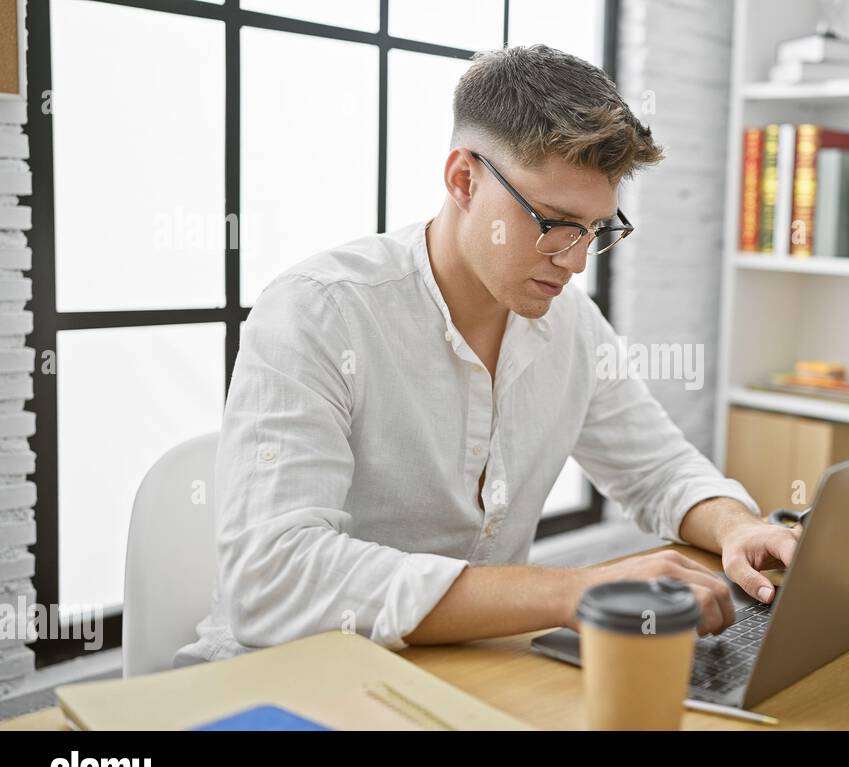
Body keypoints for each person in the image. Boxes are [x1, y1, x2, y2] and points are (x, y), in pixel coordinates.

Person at [175, 45, 796, 666]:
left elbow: (658, 470)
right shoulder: (318, 312)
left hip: (465, 669)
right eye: (553, 220)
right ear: (463, 180)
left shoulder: (567, 321)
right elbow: (273, 580)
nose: (576, 262)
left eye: (594, 229)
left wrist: (736, 526)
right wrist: (573, 590)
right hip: (284, 679)